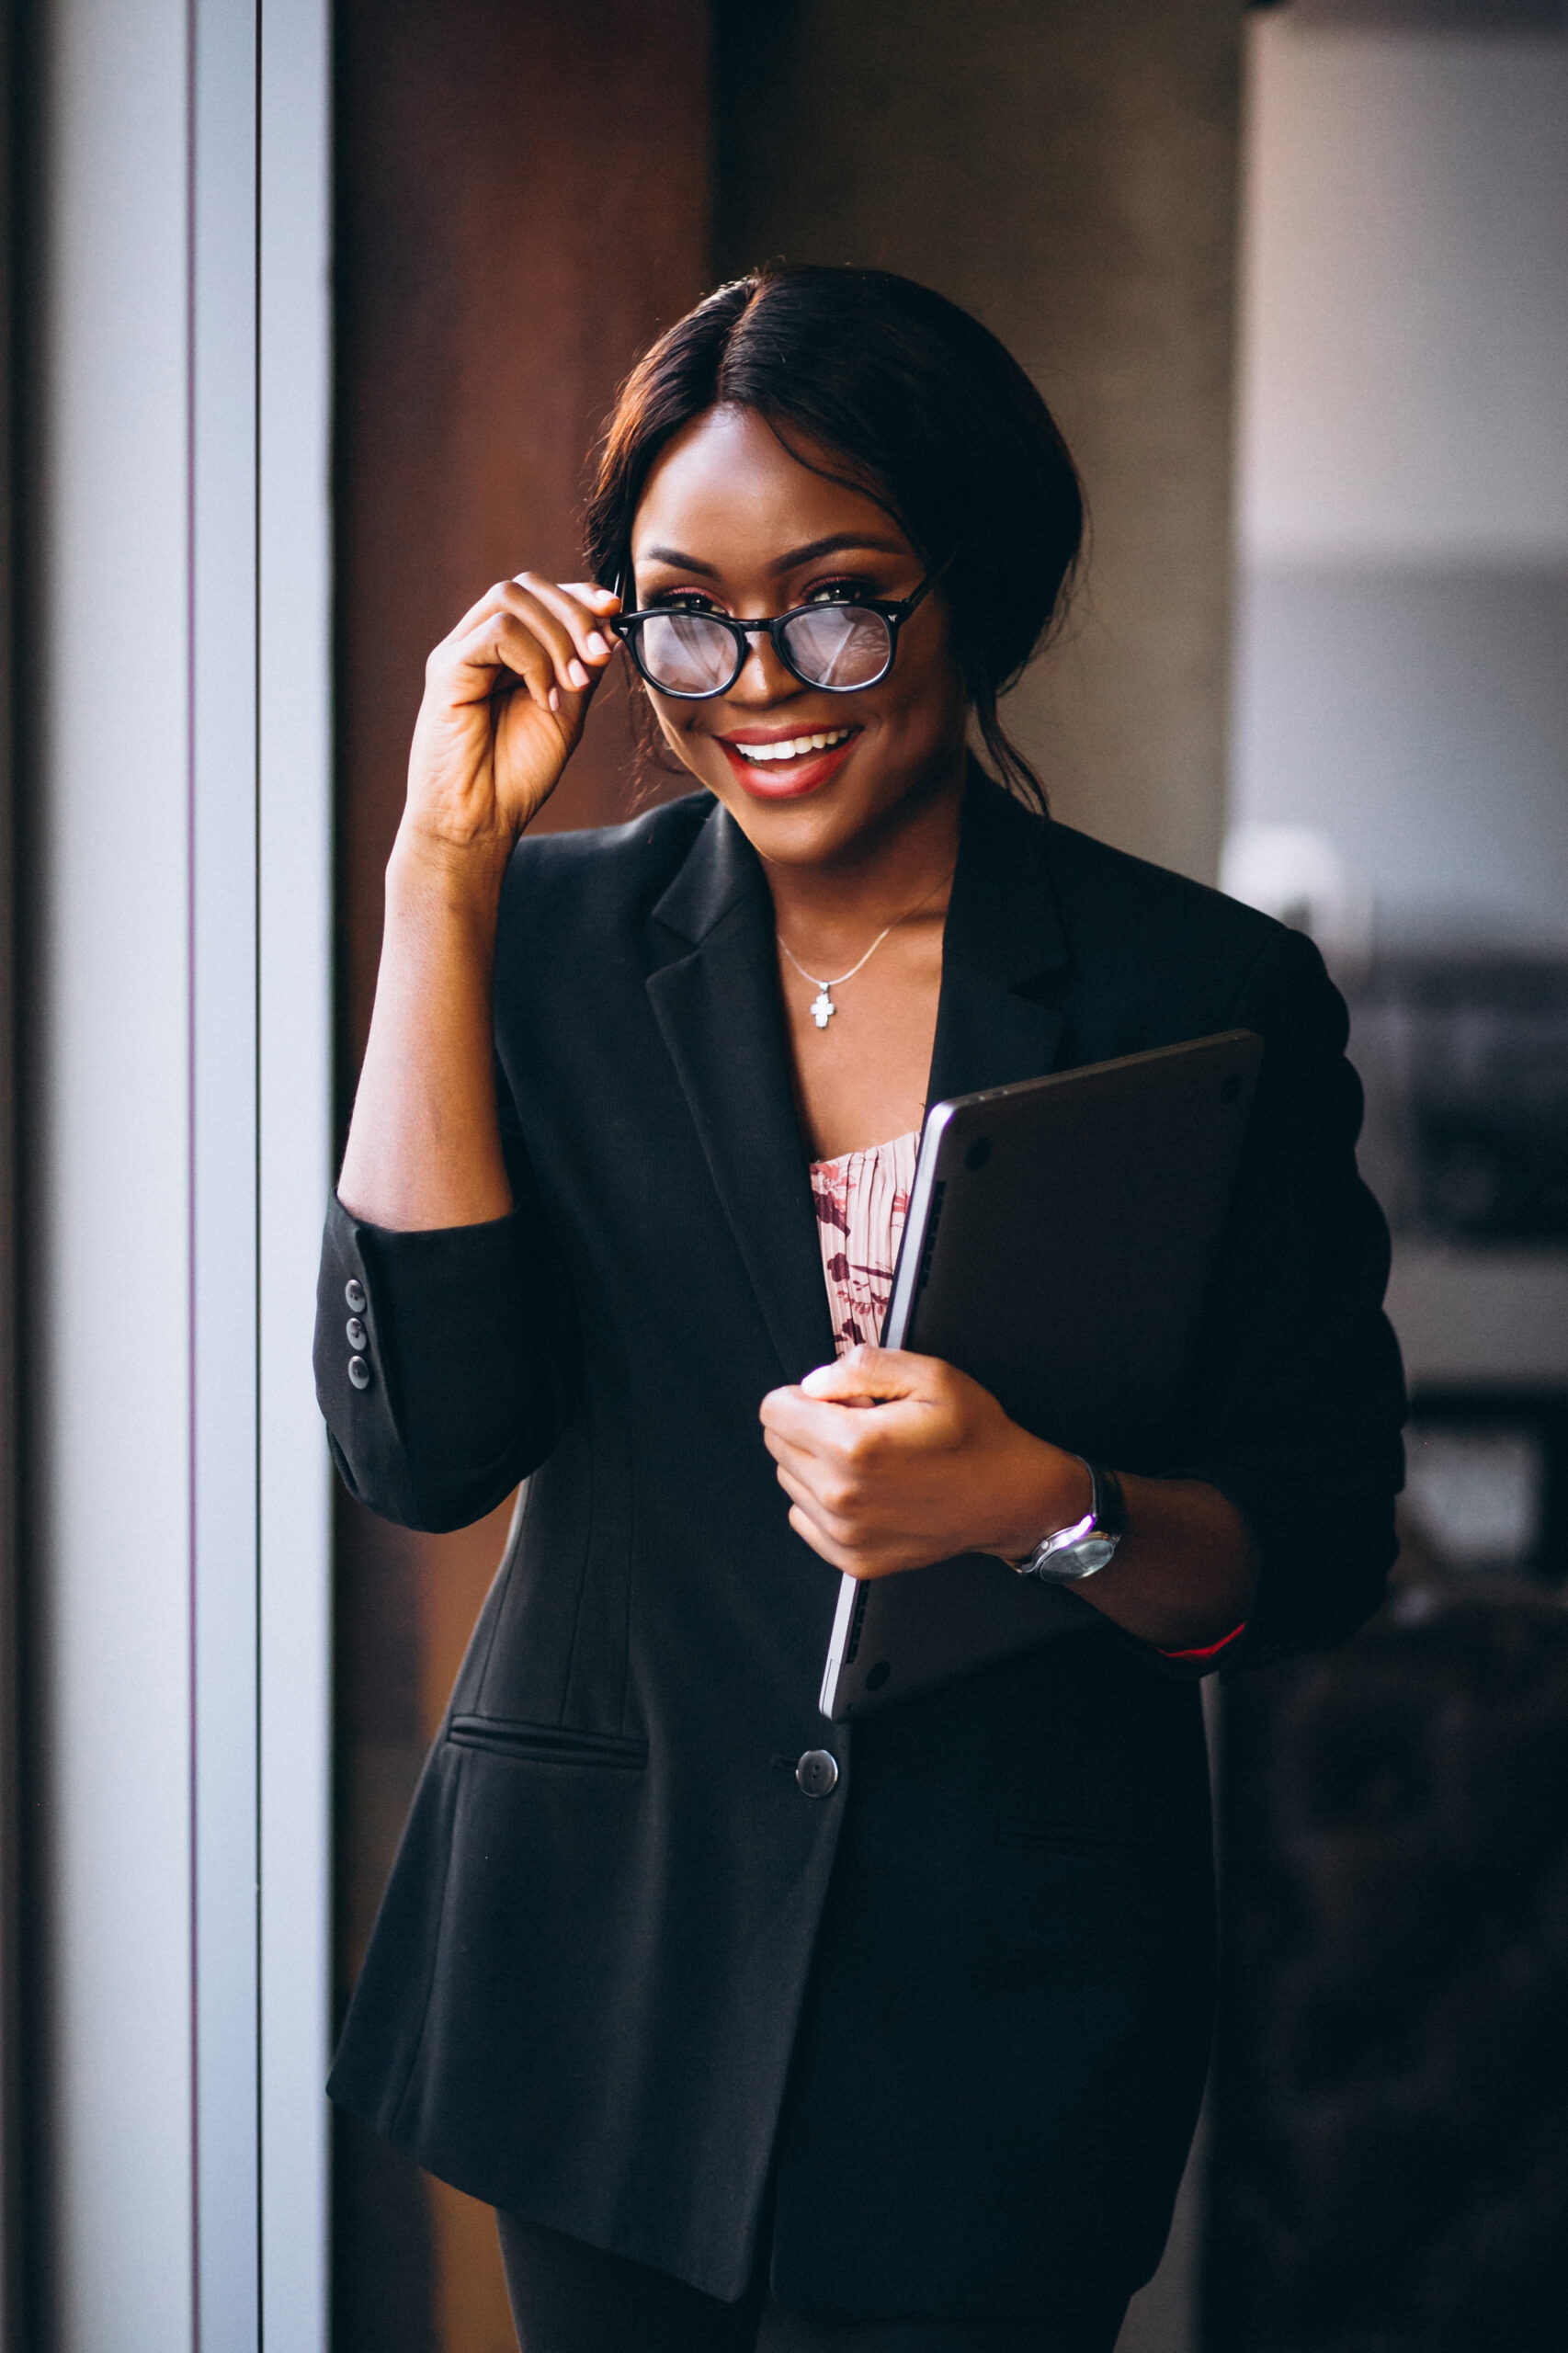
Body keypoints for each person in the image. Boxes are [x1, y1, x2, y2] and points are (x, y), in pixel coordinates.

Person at [316, 266, 1406, 2353]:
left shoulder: (1207, 999)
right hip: (603, 1974)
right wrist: (436, 877)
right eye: (684, 609)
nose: (757, 679)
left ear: (967, 583)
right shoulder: (532, 937)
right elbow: (421, 1441)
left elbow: (1319, 1545)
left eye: (836, 596)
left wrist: (1040, 1501)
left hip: (1004, 2006)